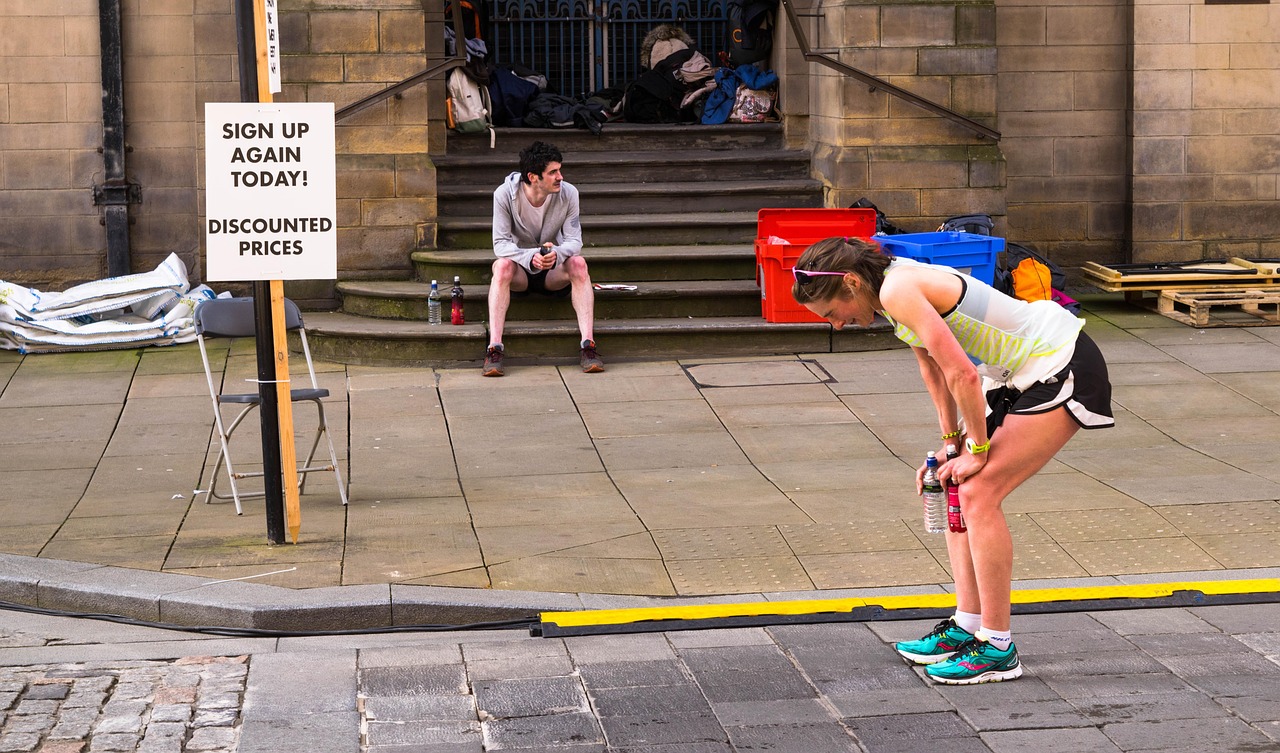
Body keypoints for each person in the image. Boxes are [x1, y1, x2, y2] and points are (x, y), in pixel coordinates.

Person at [791, 237, 1113, 685]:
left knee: (980, 491)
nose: (838, 325)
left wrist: (977, 450)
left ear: (850, 282)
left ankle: (998, 647)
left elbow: (961, 371)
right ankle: (967, 624)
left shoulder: (896, 290)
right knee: (952, 480)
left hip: (1060, 361)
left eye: (831, 313)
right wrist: (951, 444)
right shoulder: (888, 292)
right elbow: (933, 369)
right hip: (1020, 372)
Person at [484, 141, 602, 377]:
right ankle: (494, 349)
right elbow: (500, 245)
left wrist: (557, 253)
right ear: (533, 176)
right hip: (520, 272)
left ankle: (588, 346)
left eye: (559, 170)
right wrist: (530, 256)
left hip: (553, 272)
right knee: (501, 266)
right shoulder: (504, 194)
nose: (560, 176)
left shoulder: (569, 193)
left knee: (579, 263)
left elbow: (574, 241)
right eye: (553, 172)